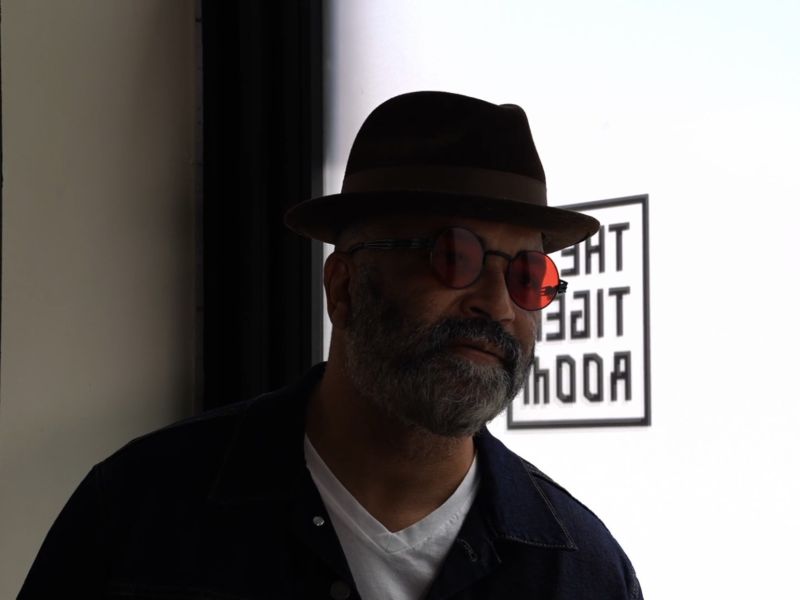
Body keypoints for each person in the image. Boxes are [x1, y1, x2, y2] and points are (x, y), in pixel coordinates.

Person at [19, 91, 642, 599]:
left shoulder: (582, 572)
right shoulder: (140, 514)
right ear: (344, 287)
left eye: (528, 275)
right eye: (454, 256)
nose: (499, 304)